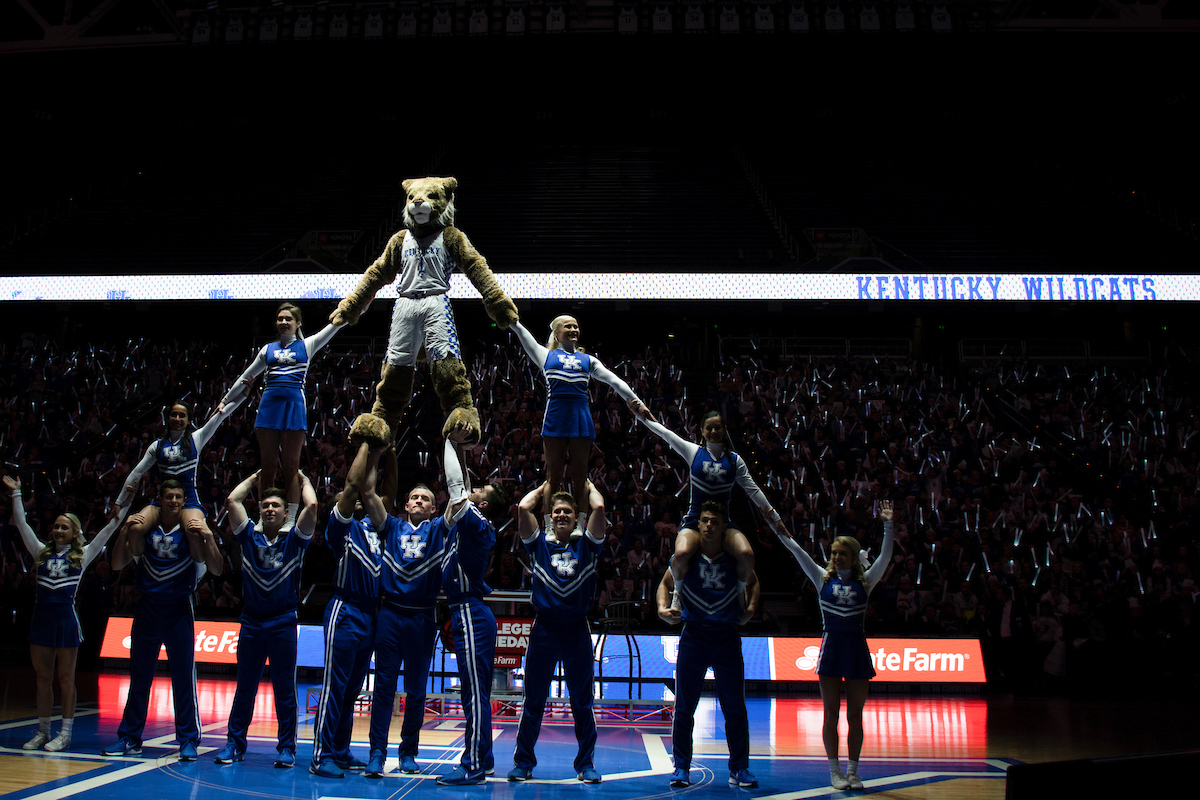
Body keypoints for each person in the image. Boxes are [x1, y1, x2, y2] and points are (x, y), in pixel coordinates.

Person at [774, 499, 895, 791]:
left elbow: (885, 557)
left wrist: (889, 525)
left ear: (853, 557)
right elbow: (797, 550)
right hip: (830, 652)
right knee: (831, 714)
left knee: (855, 715)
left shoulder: (866, 582)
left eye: (842, 553)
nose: (837, 557)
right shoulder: (821, 577)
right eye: (834, 553)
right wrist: (777, 526)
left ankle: (853, 771)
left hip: (856, 652)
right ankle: (834, 771)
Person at [6, 476, 130, 752]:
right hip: (41, 622)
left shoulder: (83, 555)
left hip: (66, 623)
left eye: (64, 527)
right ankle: (42, 732)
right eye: (56, 526)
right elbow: (23, 525)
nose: (58, 530)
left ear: (75, 533)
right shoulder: (40, 552)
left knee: (65, 679)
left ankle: (65, 733)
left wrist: (123, 505)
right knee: (42, 678)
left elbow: (108, 531)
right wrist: (16, 494)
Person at [102, 479, 223, 760]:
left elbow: (217, 570)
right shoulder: (144, 531)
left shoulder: (191, 533)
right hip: (147, 608)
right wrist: (124, 529)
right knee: (139, 677)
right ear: (160, 499)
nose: (173, 501)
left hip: (178, 608)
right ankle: (129, 737)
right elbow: (117, 564)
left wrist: (208, 535)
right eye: (169, 496)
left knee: (183, 678)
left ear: (184, 501)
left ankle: (188, 739)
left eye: (178, 497)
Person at [213, 470, 319, 768]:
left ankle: (286, 747)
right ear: (259, 511)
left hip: (283, 621)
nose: (270, 509)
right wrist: (255, 477)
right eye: (265, 505)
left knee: (284, 688)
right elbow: (232, 500)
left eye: (276, 505)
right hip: (252, 621)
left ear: (286, 513)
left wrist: (303, 480)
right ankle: (234, 744)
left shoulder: (295, 539)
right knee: (245, 686)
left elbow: (312, 506)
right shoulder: (248, 536)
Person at [635, 410, 788, 611]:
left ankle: (739, 593)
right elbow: (665, 433)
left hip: (723, 523)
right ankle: (678, 594)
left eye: (717, 427)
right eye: (709, 428)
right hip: (694, 520)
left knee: (747, 555)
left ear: (724, 429)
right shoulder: (693, 452)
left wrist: (775, 517)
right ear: (702, 430)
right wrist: (641, 414)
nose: (714, 431)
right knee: (680, 554)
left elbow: (753, 490)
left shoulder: (735, 461)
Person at [656, 501, 760, 790]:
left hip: (726, 637)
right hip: (694, 635)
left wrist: (751, 608)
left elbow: (754, 583)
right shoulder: (687, 559)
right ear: (697, 524)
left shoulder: (733, 559)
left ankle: (739, 768)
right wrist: (662, 609)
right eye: (704, 520)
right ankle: (681, 767)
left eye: (715, 521)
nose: (709, 525)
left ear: (725, 526)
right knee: (684, 706)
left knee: (734, 707)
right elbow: (664, 584)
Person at [507, 480, 605, 783]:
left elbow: (600, 507)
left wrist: (588, 485)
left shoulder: (588, 545)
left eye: (568, 512)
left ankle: (586, 764)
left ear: (577, 518)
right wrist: (546, 485)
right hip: (545, 628)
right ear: (550, 517)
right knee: (533, 700)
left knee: (582, 701)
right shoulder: (538, 545)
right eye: (557, 511)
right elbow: (524, 508)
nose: (562, 515)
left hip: (576, 628)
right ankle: (524, 762)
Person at [511, 315, 647, 515]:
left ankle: (581, 523)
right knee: (553, 477)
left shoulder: (588, 360)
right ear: (556, 333)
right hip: (555, 419)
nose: (573, 329)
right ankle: (549, 524)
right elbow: (523, 335)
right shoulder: (545, 355)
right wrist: (511, 319)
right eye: (568, 326)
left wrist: (637, 402)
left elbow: (614, 380)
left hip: (581, 419)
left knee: (580, 477)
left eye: (576, 326)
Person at [436, 435, 511, 785]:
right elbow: (464, 486)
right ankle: (486, 759)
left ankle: (474, 764)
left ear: (481, 503)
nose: (474, 489)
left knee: (474, 693)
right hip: (468, 612)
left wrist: (449, 441)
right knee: (474, 691)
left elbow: (456, 487)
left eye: (480, 490)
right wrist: (463, 452)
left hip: (470, 612)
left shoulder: (477, 524)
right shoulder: (476, 522)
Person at [364, 476, 447, 779]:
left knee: (416, 691)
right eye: (414, 497)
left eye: (425, 499)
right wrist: (376, 455)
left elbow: (458, 502)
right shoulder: (391, 526)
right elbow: (368, 493)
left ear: (434, 509)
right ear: (406, 504)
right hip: (390, 613)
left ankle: (408, 752)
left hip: (422, 617)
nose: (419, 501)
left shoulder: (438, 528)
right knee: (383, 687)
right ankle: (377, 752)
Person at [221, 302, 343, 509]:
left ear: (298, 323)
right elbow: (245, 377)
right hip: (269, 407)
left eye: (288, 319)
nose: (284, 322)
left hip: (294, 406)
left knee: (290, 467)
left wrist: (357, 305)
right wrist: (225, 401)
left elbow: (336, 325)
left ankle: (290, 517)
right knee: (267, 466)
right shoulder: (267, 349)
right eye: (280, 319)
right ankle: (264, 514)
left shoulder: (307, 345)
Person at [310, 441, 384, 778]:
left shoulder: (371, 527)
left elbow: (369, 490)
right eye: (346, 500)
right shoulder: (339, 528)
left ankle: (340, 750)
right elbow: (354, 485)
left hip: (370, 614)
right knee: (335, 686)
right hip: (345, 608)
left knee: (353, 688)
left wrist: (379, 454)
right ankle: (321, 754)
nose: (353, 500)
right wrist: (367, 445)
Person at [119, 395, 245, 546]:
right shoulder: (157, 446)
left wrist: (243, 394)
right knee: (134, 529)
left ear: (188, 420)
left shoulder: (196, 438)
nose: (177, 419)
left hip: (189, 501)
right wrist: (118, 503)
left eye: (181, 415)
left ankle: (201, 562)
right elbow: (136, 473)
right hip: (163, 501)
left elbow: (221, 415)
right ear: (168, 418)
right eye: (174, 414)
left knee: (196, 533)